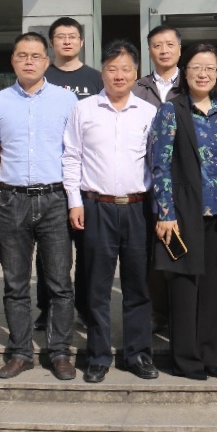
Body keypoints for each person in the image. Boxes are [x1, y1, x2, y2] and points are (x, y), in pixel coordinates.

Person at [0, 32, 79, 381]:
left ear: (47, 62)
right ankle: (21, 352)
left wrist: (75, 201)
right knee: (15, 283)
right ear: (13, 60)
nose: (29, 61)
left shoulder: (67, 101)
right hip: (11, 200)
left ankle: (60, 352)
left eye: (36, 56)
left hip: (55, 199)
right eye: (22, 55)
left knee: (59, 282)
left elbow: (75, 153)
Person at [62, 39, 158, 384]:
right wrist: (74, 201)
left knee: (138, 287)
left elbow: (157, 163)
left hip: (138, 208)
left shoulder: (148, 112)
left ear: (136, 73)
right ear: (102, 73)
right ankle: (98, 357)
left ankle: (138, 354)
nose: (119, 75)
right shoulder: (84, 110)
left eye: (126, 69)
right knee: (96, 288)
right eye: (112, 68)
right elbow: (71, 156)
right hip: (96, 207)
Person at [149, 43, 217, 380]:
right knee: (185, 288)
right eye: (196, 67)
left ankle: (212, 354)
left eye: (210, 68)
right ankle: (186, 360)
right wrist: (165, 212)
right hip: (183, 214)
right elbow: (160, 165)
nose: (203, 74)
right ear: (185, 73)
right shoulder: (171, 111)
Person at [37, 17, 101, 330]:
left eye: (72, 36)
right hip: (49, 178)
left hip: (88, 179)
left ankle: (86, 308)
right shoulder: (41, 76)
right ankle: (47, 308)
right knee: (49, 252)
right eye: (60, 37)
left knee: (88, 250)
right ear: (52, 42)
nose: (67, 41)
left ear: (81, 42)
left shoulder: (96, 79)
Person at [132, 24, 183, 334]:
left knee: (180, 248)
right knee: (152, 252)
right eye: (157, 45)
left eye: (169, 44)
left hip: (184, 183)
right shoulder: (137, 88)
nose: (164, 50)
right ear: (149, 51)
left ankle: (182, 311)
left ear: (179, 49)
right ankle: (158, 312)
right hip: (146, 182)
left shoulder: (191, 84)